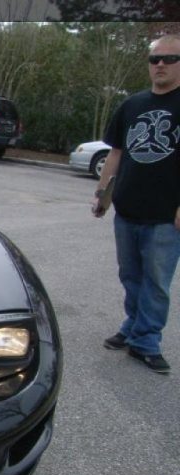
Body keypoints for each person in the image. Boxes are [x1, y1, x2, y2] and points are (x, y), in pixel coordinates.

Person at [93, 34, 180, 374]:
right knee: (131, 276)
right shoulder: (131, 105)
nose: (160, 64)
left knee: (156, 282)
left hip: (165, 216)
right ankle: (133, 326)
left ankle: (146, 341)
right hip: (127, 210)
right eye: (155, 59)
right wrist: (102, 196)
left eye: (170, 59)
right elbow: (116, 153)